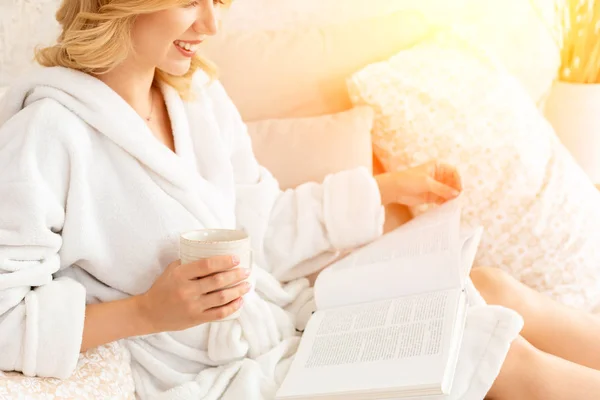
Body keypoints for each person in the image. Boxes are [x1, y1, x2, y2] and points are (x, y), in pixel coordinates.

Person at [1, 1, 600, 399]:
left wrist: (381, 192)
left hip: (285, 317)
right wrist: (145, 314)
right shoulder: (46, 135)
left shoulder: (196, 96)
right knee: (486, 350)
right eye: (191, 2)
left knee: (486, 286)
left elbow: (261, 225)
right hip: (216, 377)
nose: (211, 25)